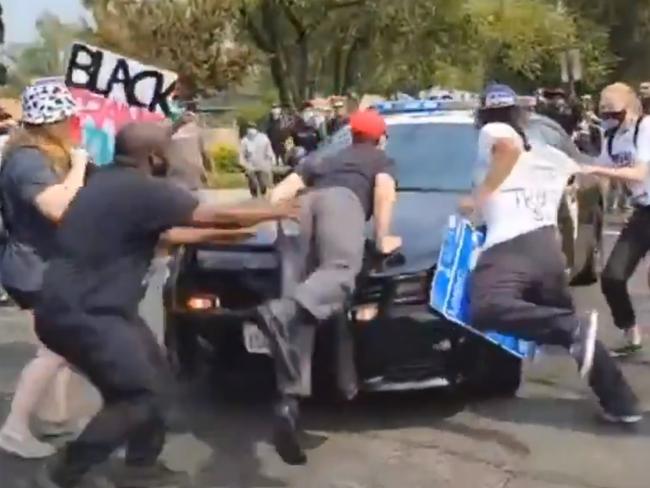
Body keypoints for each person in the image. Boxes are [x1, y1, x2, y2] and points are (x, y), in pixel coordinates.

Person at [32, 122, 298, 488]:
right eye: (169, 151)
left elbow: (168, 233)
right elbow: (211, 213)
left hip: (81, 307)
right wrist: (279, 211)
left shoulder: (107, 183)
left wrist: (226, 235)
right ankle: (61, 472)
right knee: (138, 395)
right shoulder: (144, 190)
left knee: (157, 379)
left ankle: (140, 465)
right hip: (88, 313)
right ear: (155, 157)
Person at [463, 83, 641, 424]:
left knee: (485, 308)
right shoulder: (548, 154)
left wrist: (479, 197)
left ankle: (573, 329)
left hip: (509, 247)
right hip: (548, 253)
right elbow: (587, 172)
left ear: (484, 113)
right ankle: (622, 403)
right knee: (573, 337)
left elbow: (506, 148)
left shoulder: (494, 131)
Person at [256, 109, 401, 465]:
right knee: (338, 271)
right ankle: (281, 310)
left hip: (300, 208)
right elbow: (383, 192)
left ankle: (288, 404)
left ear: (351, 134)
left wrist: (262, 220)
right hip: (342, 204)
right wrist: (382, 237)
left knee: (304, 307)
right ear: (380, 138)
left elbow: (283, 190)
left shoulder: (327, 156)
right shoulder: (380, 158)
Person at [0, 81, 89, 459]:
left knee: (61, 347)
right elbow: (56, 208)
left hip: (42, 264)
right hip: (33, 268)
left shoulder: (38, 154)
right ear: (52, 121)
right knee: (55, 349)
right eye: (67, 117)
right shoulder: (28, 161)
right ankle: (14, 429)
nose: (73, 123)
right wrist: (81, 166)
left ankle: (56, 416)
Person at [581, 82, 650, 356]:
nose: (610, 119)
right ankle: (630, 332)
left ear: (630, 108)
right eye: (605, 113)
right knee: (612, 277)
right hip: (644, 211)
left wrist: (597, 168)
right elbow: (599, 173)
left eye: (616, 114)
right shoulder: (611, 138)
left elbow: (638, 174)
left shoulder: (644, 128)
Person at [165, 101, 211, 191]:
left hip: (175, 171)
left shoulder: (171, 130)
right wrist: (208, 170)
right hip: (193, 170)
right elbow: (204, 153)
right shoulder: (197, 130)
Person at [239, 121, 275, 197]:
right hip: (250, 166)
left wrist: (271, 160)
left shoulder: (264, 138)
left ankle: (263, 196)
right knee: (253, 184)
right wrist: (243, 164)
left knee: (263, 184)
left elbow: (269, 151)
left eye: (252, 128)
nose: (250, 130)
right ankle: (254, 198)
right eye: (249, 128)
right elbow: (241, 153)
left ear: (256, 129)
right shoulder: (244, 141)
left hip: (262, 165)